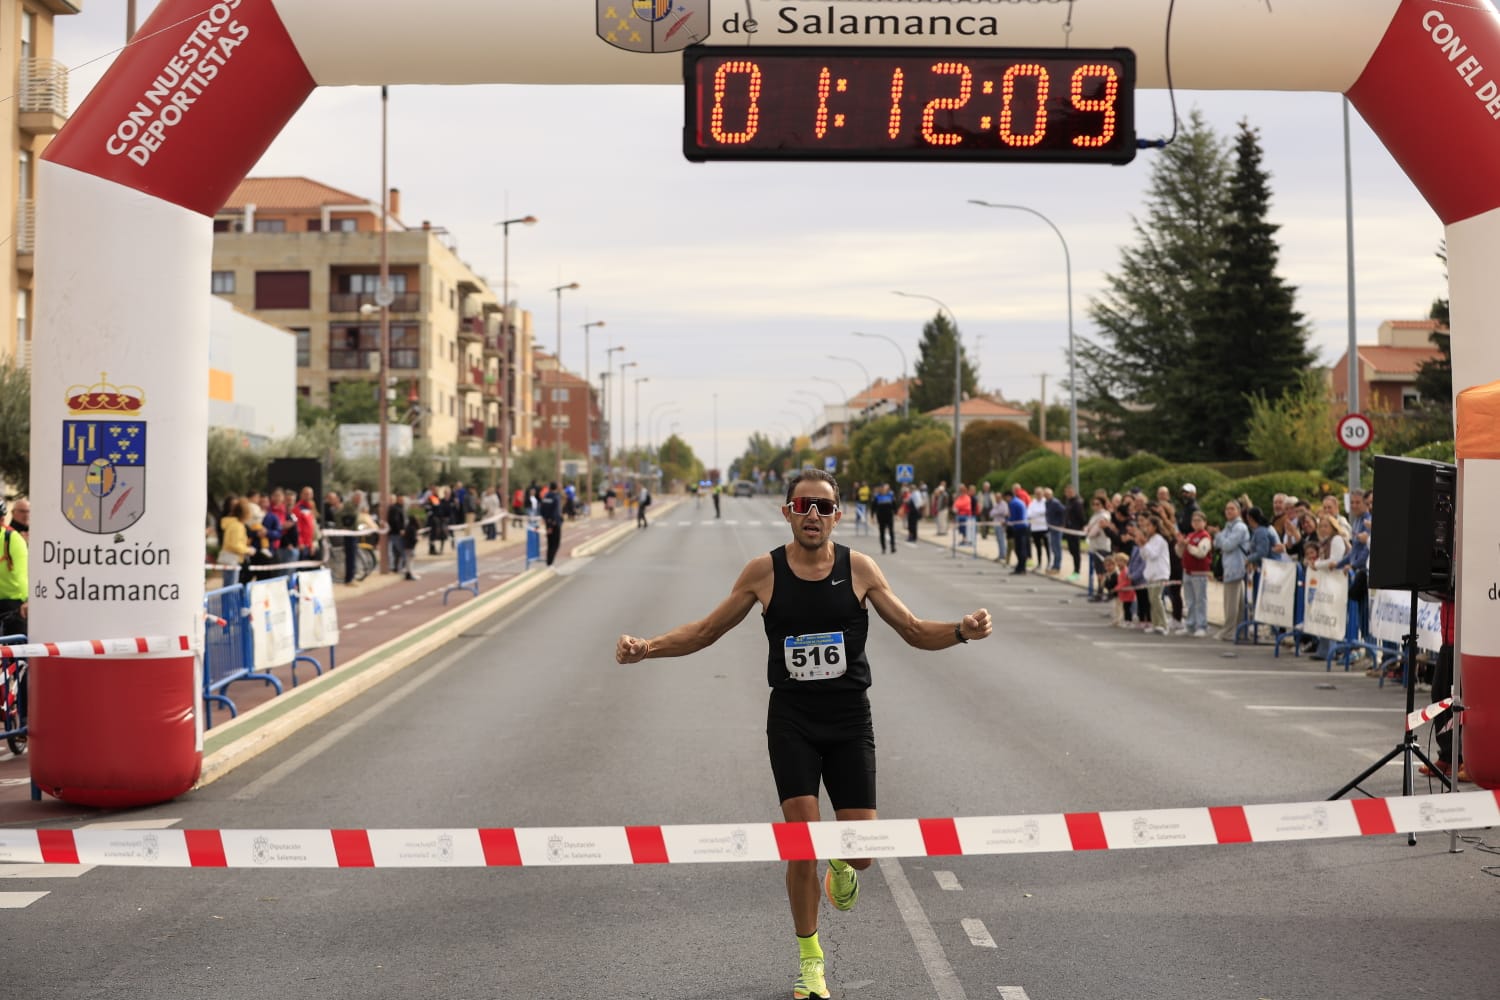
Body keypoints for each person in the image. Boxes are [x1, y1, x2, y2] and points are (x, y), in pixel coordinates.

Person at [614, 470, 992, 1000]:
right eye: (804, 505)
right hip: (792, 721)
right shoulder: (763, 572)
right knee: (801, 844)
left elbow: (911, 630)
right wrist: (647, 648)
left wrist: (959, 632)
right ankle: (811, 961)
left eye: (824, 506)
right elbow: (705, 631)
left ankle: (842, 859)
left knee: (861, 854)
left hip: (849, 720)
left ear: (838, 515)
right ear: (788, 512)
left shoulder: (859, 569)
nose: (813, 514)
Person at [1211, 500, 1251, 641]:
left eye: (1232, 509)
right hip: (1230, 568)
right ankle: (1239, 630)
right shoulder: (1228, 527)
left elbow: (1227, 545)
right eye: (1227, 508)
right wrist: (1221, 538)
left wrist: (1218, 535)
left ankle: (1229, 631)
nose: (1228, 511)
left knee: (1231, 603)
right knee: (1237, 603)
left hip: (1236, 568)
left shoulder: (1239, 527)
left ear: (1238, 511)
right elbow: (1216, 544)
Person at [1179, 510, 1213, 637]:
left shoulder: (1205, 536)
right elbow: (1180, 553)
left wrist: (1188, 546)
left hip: (1199, 572)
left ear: (1204, 522)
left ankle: (1201, 625)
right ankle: (1190, 624)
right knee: (1190, 600)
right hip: (1187, 571)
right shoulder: (1190, 535)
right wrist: (1181, 545)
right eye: (1194, 521)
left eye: (1199, 520)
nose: (1196, 523)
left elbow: (1201, 553)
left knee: (1200, 600)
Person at [0, 499, 31, 637]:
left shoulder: (12, 538)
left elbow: (22, 573)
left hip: (12, 604)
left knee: (15, 643)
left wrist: (27, 600)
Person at [540, 481, 563, 566]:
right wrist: (552, 523)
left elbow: (542, 509)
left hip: (547, 522)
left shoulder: (546, 496)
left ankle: (549, 562)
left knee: (550, 543)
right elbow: (555, 512)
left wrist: (545, 520)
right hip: (554, 523)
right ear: (556, 487)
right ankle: (550, 562)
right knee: (556, 543)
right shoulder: (556, 497)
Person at [872, 482, 897, 554]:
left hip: (889, 516)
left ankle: (892, 547)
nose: (882, 489)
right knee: (882, 532)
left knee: (891, 531)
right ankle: (883, 548)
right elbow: (873, 507)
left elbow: (894, 505)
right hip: (880, 517)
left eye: (883, 488)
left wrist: (896, 514)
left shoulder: (890, 495)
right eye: (881, 488)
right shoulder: (877, 496)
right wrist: (872, 516)